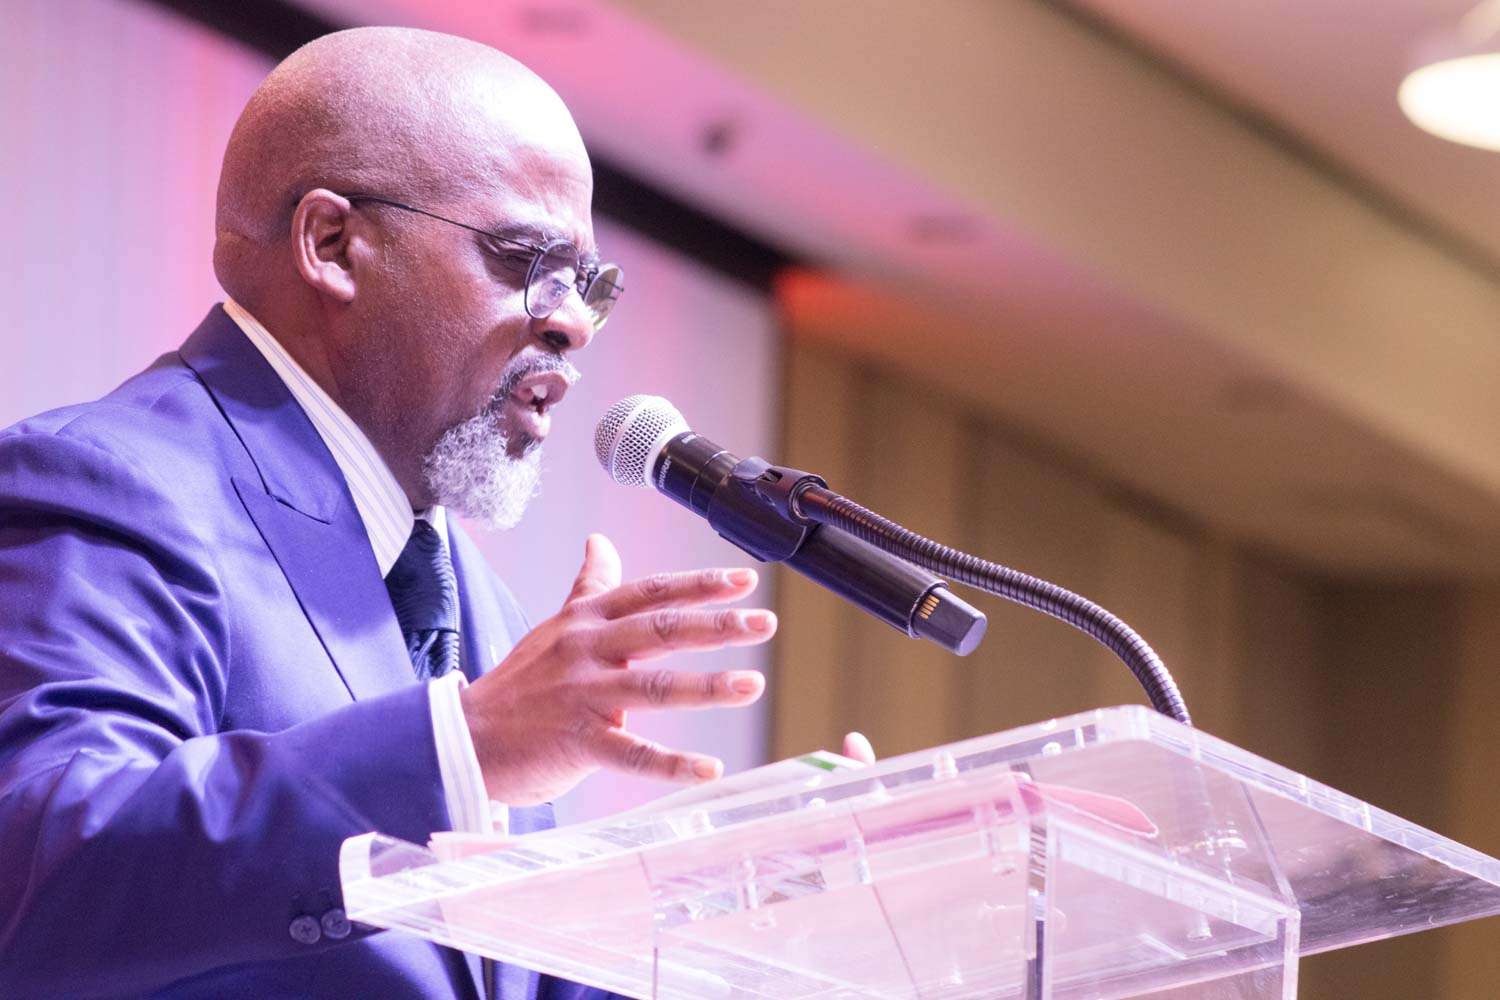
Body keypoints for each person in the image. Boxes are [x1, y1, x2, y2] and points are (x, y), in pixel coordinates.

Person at [0, 26, 872, 999]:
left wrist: (727, 906)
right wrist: (463, 743)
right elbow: (42, 870)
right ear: (333, 245)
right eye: (525, 258)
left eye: (590, 285)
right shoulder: (112, 483)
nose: (572, 323)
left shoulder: (469, 597)